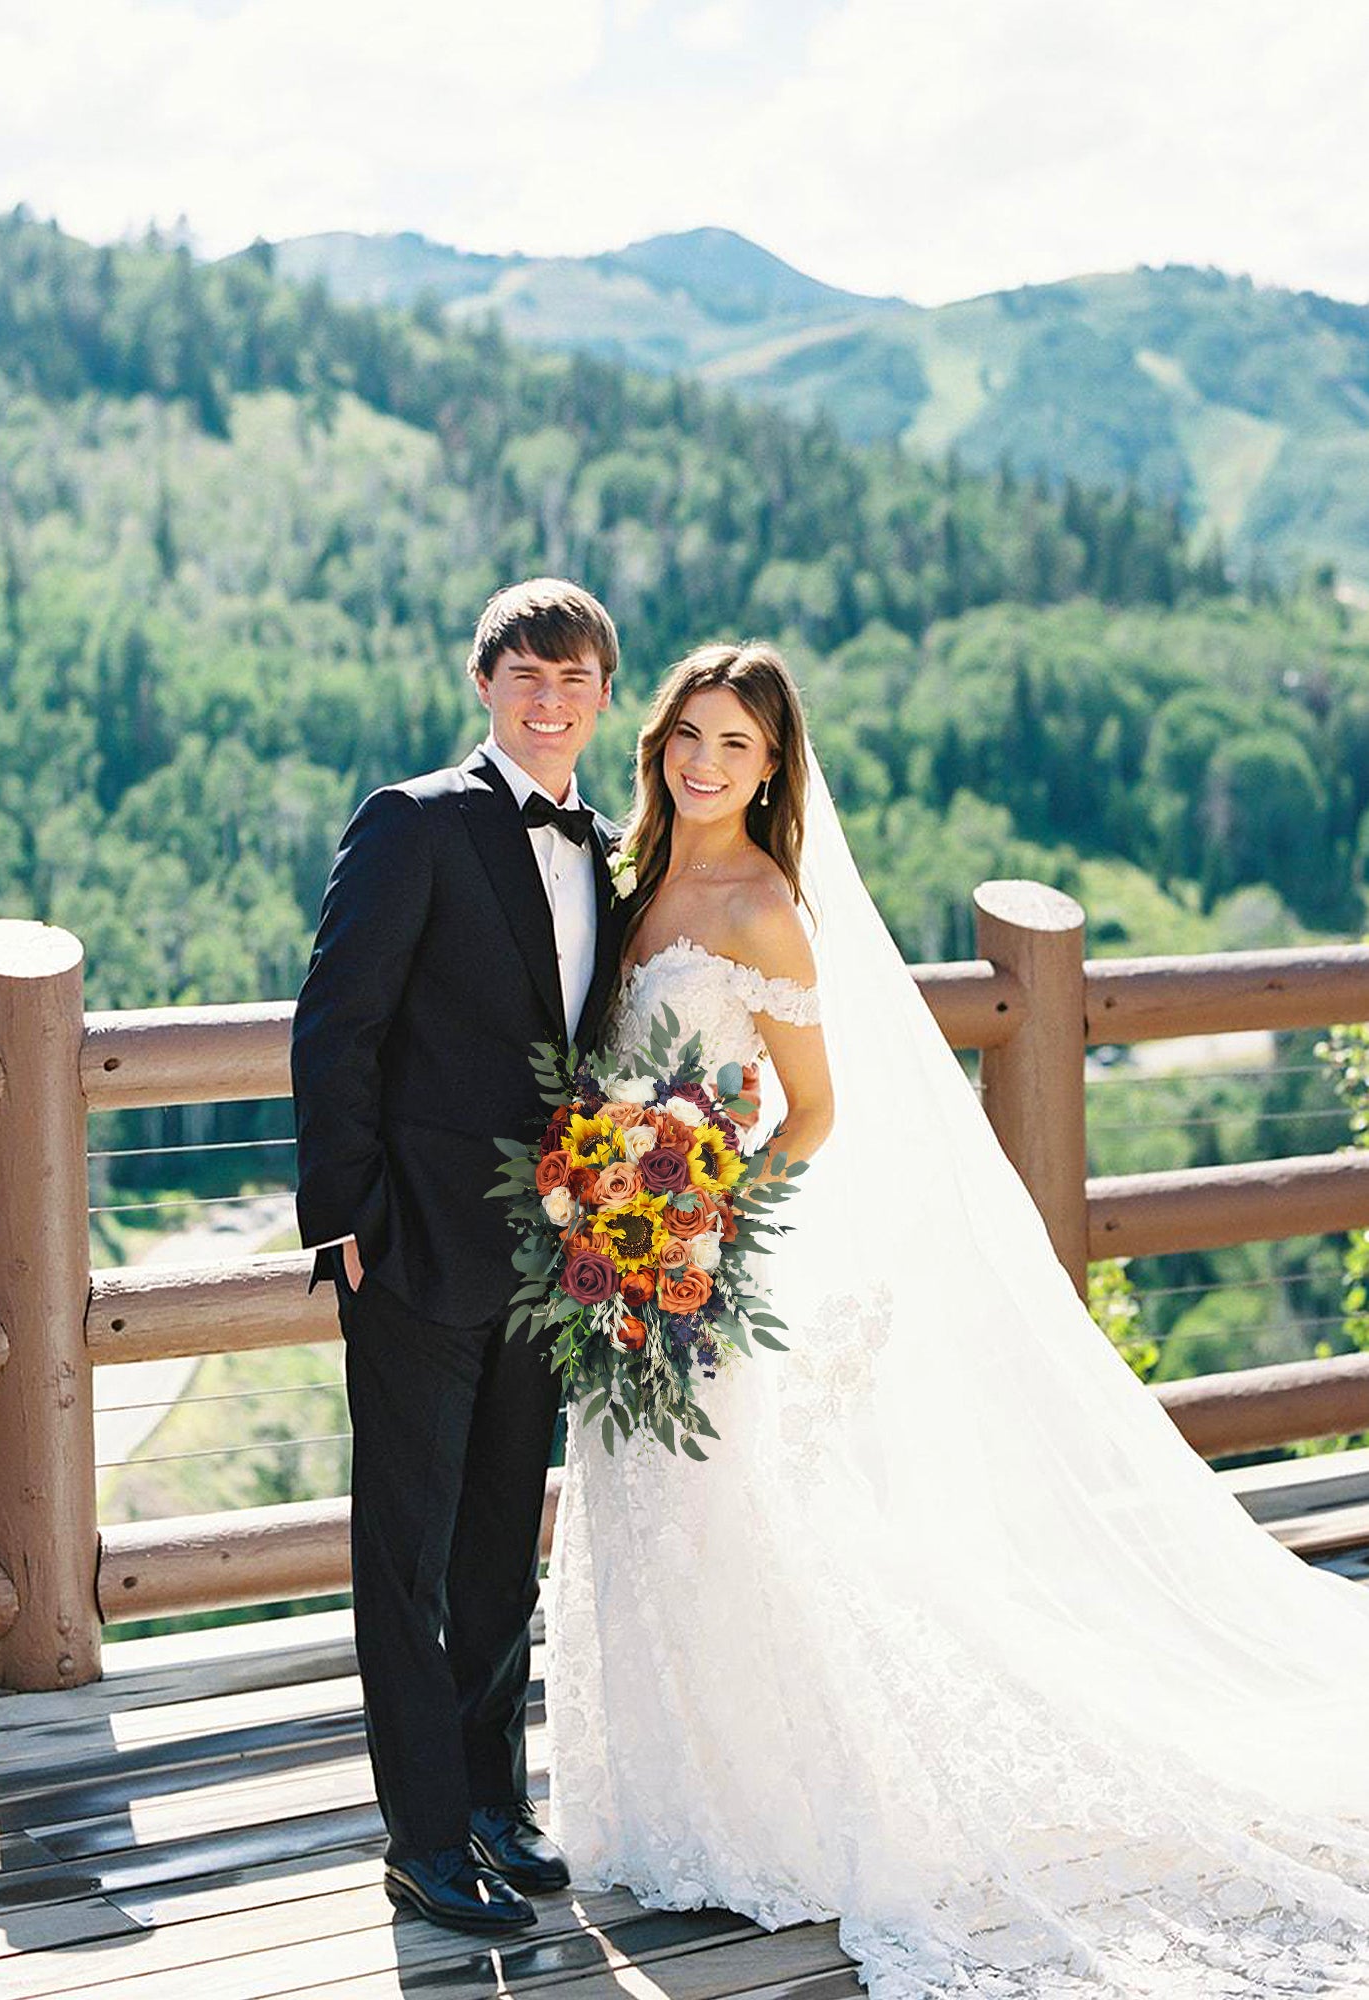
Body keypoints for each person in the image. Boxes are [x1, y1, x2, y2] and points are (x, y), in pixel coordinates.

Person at [546, 640, 1369, 1996]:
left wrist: (702, 1205)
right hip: (612, 1260)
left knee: (713, 1519)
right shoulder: (633, 883)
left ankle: (765, 1812)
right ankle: (656, 1807)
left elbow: (810, 1112)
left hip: (695, 1262)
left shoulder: (761, 908)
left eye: (736, 747)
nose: (704, 763)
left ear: (771, 771)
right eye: (689, 735)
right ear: (661, 746)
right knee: (632, 1509)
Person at [290, 578, 627, 1936]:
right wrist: (343, 1222)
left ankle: (494, 1801)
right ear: (482, 683)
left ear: (605, 697)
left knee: (499, 1548)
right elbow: (335, 1027)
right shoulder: (412, 822)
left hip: (550, 1262)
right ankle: (422, 1839)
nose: (551, 702)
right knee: (406, 1555)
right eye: (526, 676)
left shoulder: (609, 846)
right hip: (414, 1251)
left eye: (577, 680)